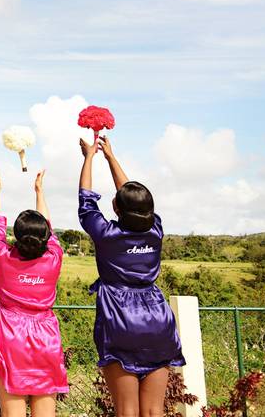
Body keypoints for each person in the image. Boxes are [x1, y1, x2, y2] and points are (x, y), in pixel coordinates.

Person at [79, 135, 185, 417]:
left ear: (115, 208)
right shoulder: (156, 230)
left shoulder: (107, 234)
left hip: (120, 317)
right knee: (153, 411)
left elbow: (86, 201)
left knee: (127, 410)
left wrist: (90, 157)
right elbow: (132, 198)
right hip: (158, 319)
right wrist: (111, 157)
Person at [0, 167, 68, 417]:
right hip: (46, 338)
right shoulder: (54, 258)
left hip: (10, 338)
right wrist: (39, 191)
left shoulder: (2, 257)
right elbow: (49, 229)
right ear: (46, 238)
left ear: (16, 235)